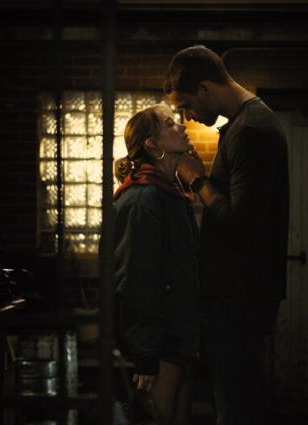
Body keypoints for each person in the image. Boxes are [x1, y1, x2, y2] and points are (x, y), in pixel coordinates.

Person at [164, 45, 289, 425]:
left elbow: (240, 223)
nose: (188, 117)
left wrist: (197, 180)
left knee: (236, 407)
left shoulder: (250, 130)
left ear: (205, 88)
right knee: (243, 399)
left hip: (238, 295)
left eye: (187, 105)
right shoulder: (244, 124)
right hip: (240, 292)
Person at [113, 104, 200, 425]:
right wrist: (145, 355)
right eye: (170, 124)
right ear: (152, 144)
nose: (182, 126)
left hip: (175, 339)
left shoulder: (170, 194)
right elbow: (135, 280)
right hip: (159, 343)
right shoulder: (143, 199)